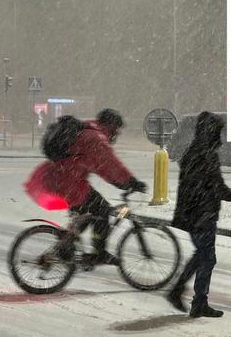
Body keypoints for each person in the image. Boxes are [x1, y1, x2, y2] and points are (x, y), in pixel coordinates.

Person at [26, 108, 147, 264]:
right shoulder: (96, 137)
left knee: (87, 213)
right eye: (117, 130)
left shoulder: (88, 128)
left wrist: (121, 183)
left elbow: (102, 168)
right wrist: (130, 182)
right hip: (69, 182)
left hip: (62, 178)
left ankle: (66, 246)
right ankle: (99, 252)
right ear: (111, 126)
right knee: (102, 209)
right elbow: (110, 166)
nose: (117, 134)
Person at [166, 111, 231, 318]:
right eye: (218, 132)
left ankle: (182, 293)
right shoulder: (205, 155)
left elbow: (204, 187)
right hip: (202, 215)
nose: (220, 136)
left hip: (194, 214)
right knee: (207, 258)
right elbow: (215, 188)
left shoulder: (194, 152)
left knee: (202, 255)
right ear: (210, 132)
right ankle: (196, 301)